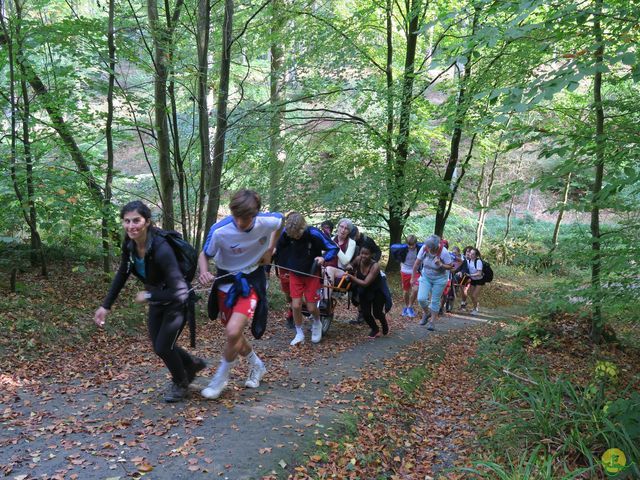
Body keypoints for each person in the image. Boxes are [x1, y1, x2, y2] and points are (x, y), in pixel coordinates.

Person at [94, 201, 205, 403]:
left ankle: (181, 383)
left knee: (163, 347)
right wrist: (105, 306)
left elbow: (180, 291)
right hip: (157, 300)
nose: (131, 226)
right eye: (126, 221)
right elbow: (122, 273)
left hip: (176, 303)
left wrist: (149, 296)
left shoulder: (161, 249)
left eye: (136, 220)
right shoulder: (130, 245)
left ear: (147, 222)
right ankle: (192, 363)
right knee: (160, 345)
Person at [197, 189, 283, 400]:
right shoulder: (220, 231)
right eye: (236, 217)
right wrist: (204, 272)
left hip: (252, 281)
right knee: (233, 334)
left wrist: (270, 248)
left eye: (245, 218)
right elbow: (204, 254)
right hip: (226, 282)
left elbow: (281, 221)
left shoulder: (267, 221)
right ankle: (257, 365)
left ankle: (220, 379)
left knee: (234, 330)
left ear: (255, 214)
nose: (239, 222)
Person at [275, 212, 339, 345]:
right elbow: (278, 247)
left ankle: (317, 322)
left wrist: (324, 258)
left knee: (311, 307)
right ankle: (299, 333)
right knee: (296, 304)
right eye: (293, 236)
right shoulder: (287, 233)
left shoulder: (314, 234)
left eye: (297, 235)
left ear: (303, 227)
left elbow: (333, 248)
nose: (296, 238)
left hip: (311, 273)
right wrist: (273, 253)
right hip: (295, 273)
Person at [344, 245, 390, 338]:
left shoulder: (375, 266)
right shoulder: (358, 259)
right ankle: (375, 329)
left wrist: (352, 278)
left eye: (366, 254)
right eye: (362, 253)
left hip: (377, 291)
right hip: (364, 290)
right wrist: (349, 267)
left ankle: (384, 323)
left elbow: (365, 283)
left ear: (371, 254)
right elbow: (351, 265)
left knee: (377, 313)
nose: (363, 256)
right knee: (365, 313)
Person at [413, 235, 454, 331]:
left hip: (440, 279)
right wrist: (413, 277)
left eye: (429, 247)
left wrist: (441, 264)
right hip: (426, 276)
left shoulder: (443, 252)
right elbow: (417, 263)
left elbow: (451, 267)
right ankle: (427, 313)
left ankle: (432, 322)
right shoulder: (424, 248)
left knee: (435, 301)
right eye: (426, 246)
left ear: (435, 247)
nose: (427, 248)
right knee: (421, 298)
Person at [390, 235, 423, 318]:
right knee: (406, 291)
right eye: (409, 245)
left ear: (416, 243)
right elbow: (394, 253)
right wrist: (400, 262)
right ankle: (406, 306)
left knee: (415, 289)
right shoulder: (402, 249)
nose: (411, 247)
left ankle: (410, 307)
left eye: (413, 245)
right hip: (405, 271)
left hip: (416, 271)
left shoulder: (419, 248)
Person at [324, 218, 357, 300]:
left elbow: (345, 261)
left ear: (349, 231)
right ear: (337, 227)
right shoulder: (331, 239)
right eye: (341, 227)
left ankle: (326, 301)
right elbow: (322, 255)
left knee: (329, 269)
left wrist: (335, 246)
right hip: (325, 267)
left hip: (341, 271)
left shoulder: (351, 243)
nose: (343, 230)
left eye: (346, 228)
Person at [465, 247, 485, 315]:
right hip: (473, 280)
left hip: (480, 280)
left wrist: (470, 275)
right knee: (471, 295)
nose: (471, 255)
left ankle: (475, 309)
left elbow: (479, 273)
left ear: (476, 255)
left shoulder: (478, 261)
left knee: (474, 295)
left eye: (473, 254)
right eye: (470, 253)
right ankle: (475, 306)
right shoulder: (468, 261)